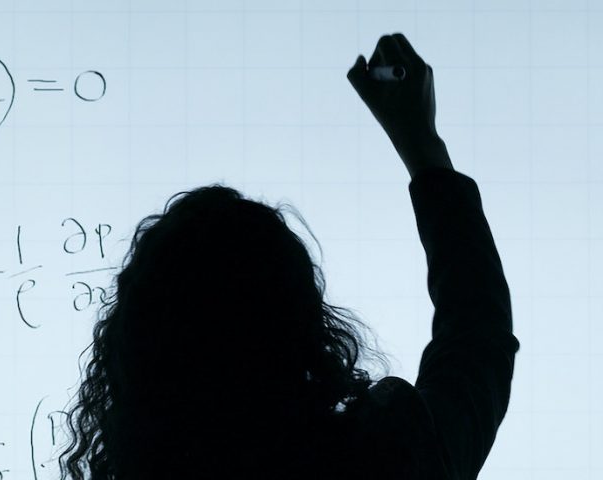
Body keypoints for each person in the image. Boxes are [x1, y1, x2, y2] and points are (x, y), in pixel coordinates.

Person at [56, 33, 520, 479]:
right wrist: (422, 147)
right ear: (302, 327)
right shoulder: (388, 460)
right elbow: (477, 335)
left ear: (134, 348)